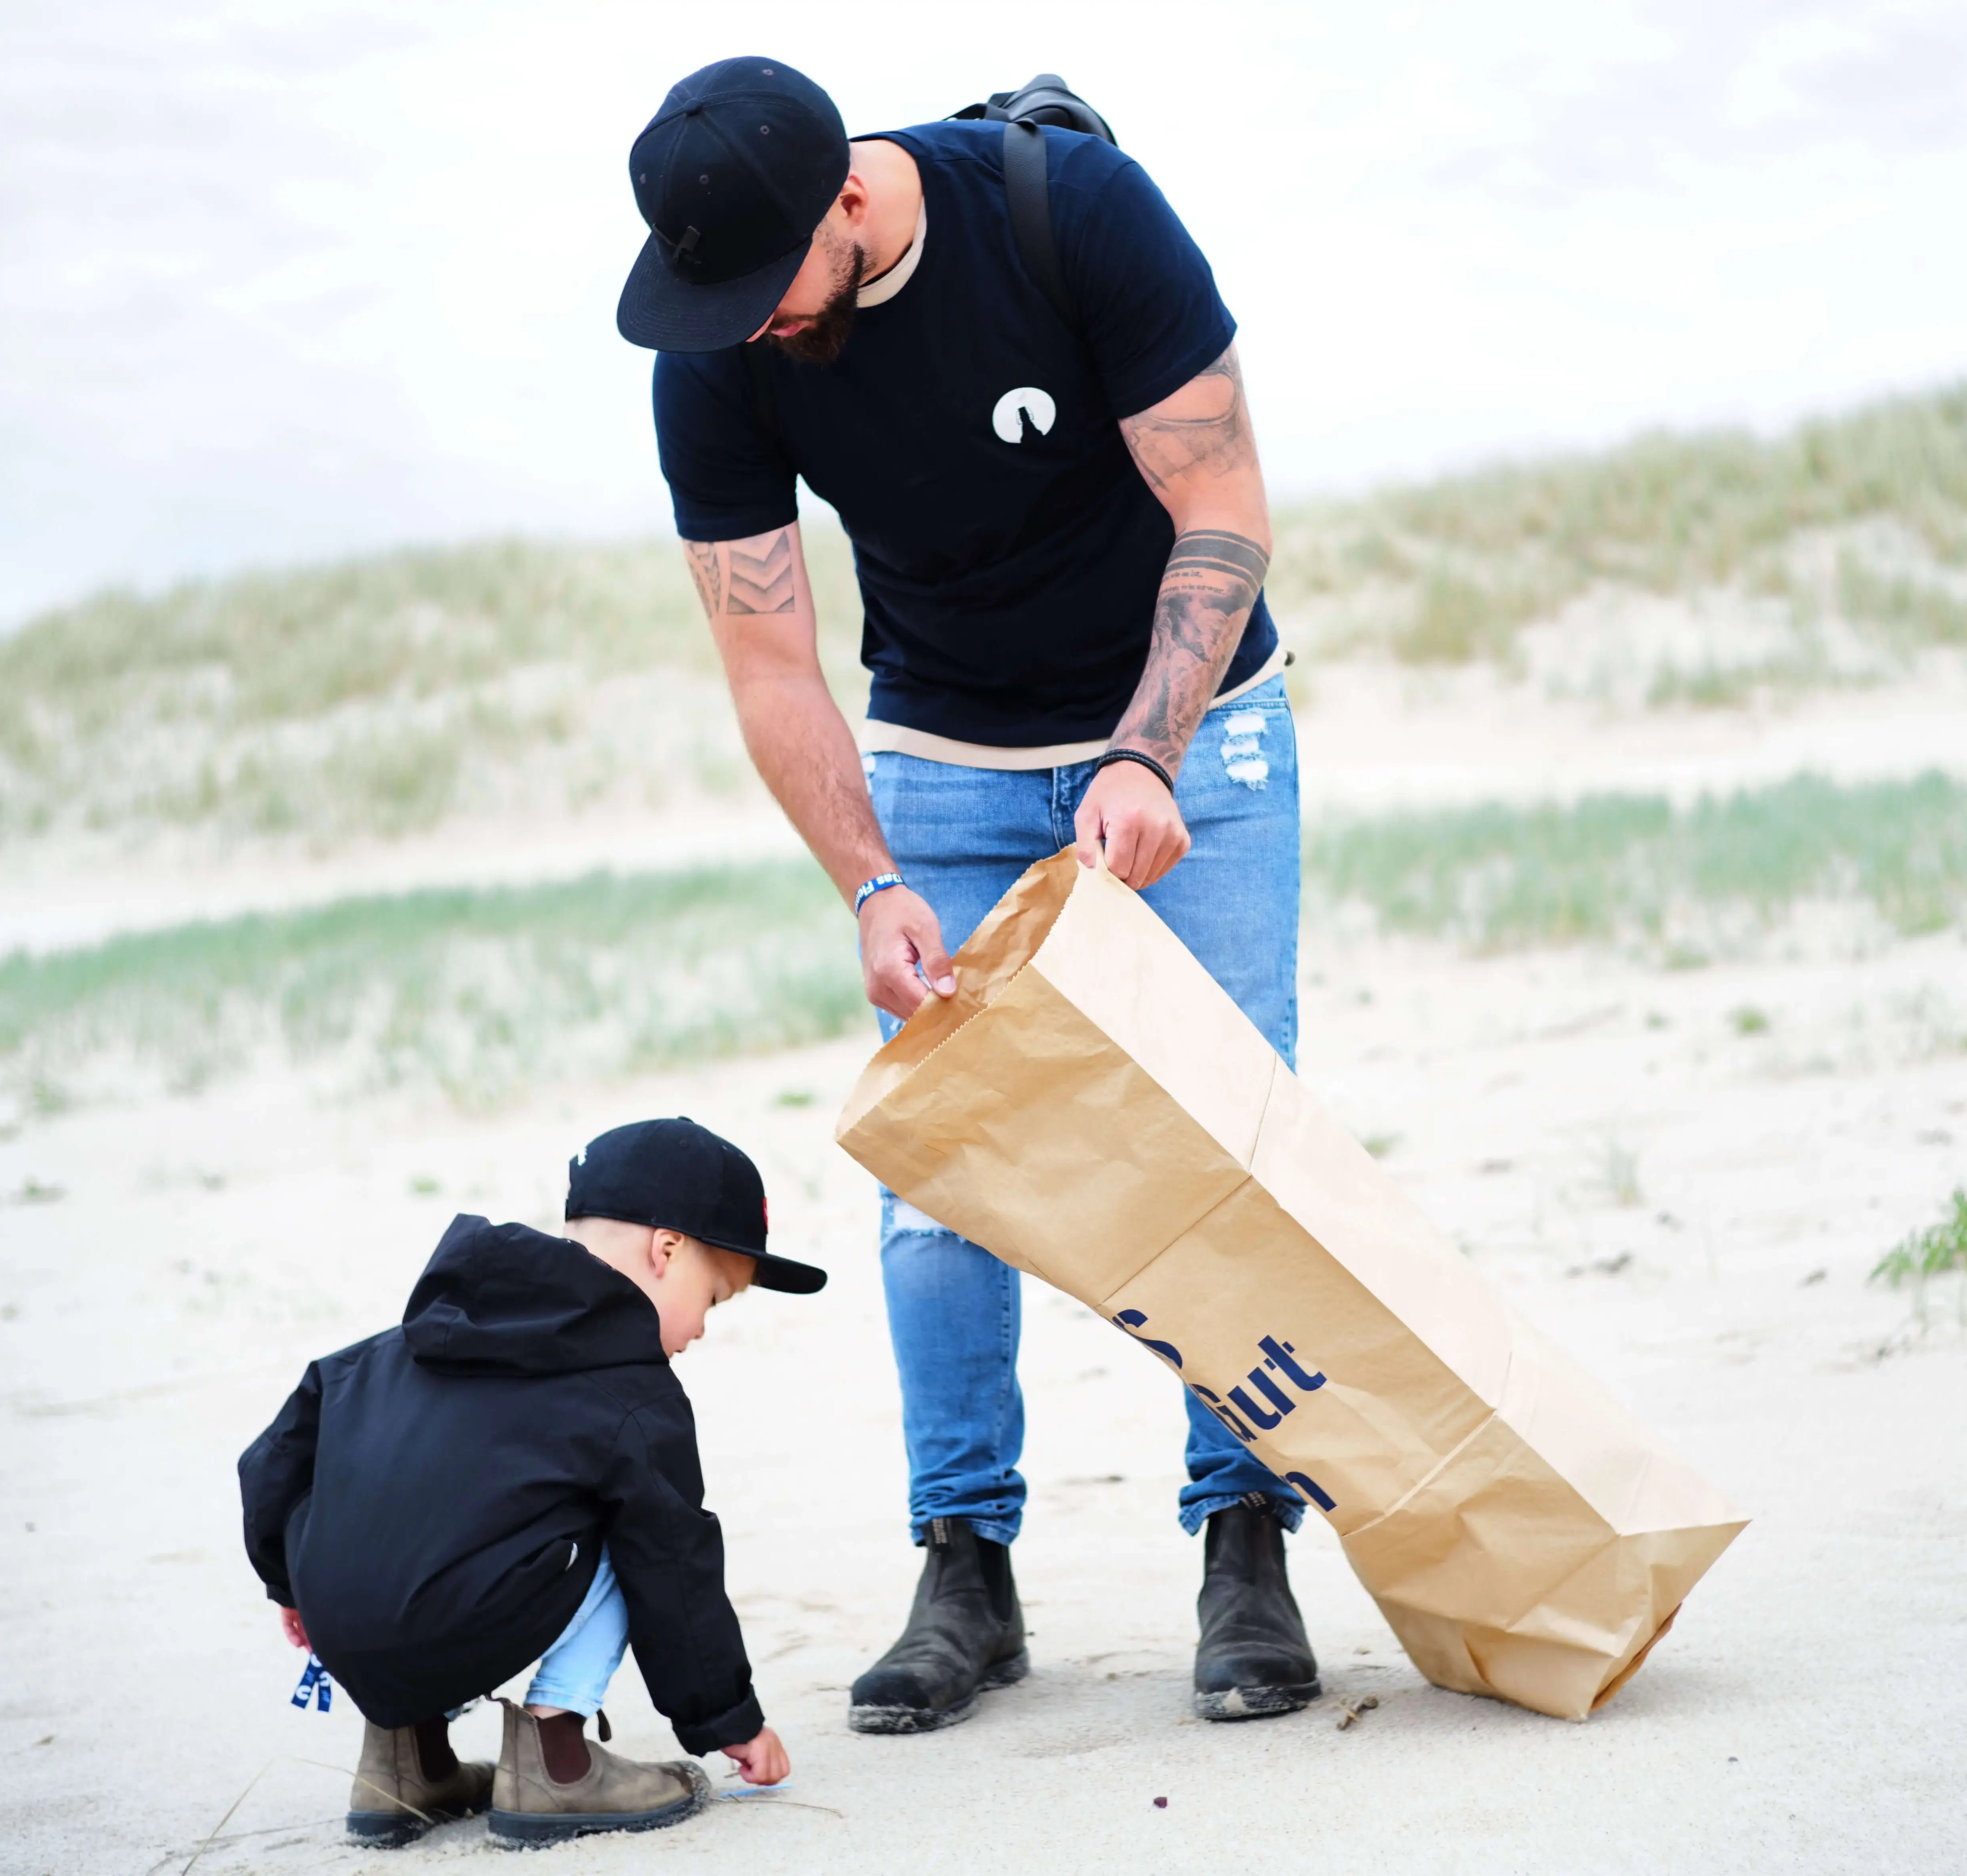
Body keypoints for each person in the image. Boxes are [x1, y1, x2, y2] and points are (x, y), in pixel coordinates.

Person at [616, 57, 1319, 1732]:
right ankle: (964, 1566)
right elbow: (768, 663)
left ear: (849, 201)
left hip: (1192, 725)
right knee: (937, 1175)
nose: (748, 325)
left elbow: (1221, 504)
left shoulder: (1069, 213)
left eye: (767, 286)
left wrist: (1144, 755)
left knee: (1228, 1136)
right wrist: (867, 880)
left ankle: (1242, 1541)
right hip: (941, 758)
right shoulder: (720, 344)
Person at [235, 1118, 820, 1846]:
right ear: (666, 1250)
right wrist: (728, 1720)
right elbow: (676, 1567)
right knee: (636, 1526)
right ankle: (556, 1756)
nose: (702, 1327)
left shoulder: (393, 1351)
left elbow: (272, 1460)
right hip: (455, 1621)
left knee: (423, 1498)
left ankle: (402, 1764)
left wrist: (290, 1584)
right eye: (715, 1297)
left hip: (344, 1630)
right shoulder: (634, 1399)